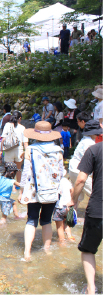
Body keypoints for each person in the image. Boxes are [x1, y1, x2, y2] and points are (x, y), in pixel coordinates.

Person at [18, 121, 64, 261]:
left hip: (33, 191)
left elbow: (25, 172)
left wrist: (21, 191)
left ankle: (27, 253)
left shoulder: (30, 150)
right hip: (51, 191)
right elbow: (61, 173)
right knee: (46, 220)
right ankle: (47, 250)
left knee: (31, 220)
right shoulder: (58, 150)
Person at [68, 139, 102, 295]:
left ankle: (90, 289)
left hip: (98, 210)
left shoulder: (94, 150)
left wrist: (73, 200)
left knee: (88, 250)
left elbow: (81, 179)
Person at [69, 120, 101, 216]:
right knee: (96, 194)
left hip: (73, 169)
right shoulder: (91, 144)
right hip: (80, 172)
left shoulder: (84, 140)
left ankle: (69, 218)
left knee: (77, 197)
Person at [1, 111, 29, 183]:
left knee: (9, 170)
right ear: (20, 118)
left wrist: (1, 151)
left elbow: (3, 139)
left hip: (8, 150)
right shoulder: (23, 128)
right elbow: (25, 143)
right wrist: (28, 153)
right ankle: (18, 185)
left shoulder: (7, 125)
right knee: (19, 169)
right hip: (19, 150)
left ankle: (12, 187)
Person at [53, 170, 75, 243]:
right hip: (67, 206)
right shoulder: (66, 180)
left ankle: (62, 242)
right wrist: (70, 200)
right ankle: (70, 237)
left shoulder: (55, 182)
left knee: (60, 228)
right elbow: (72, 190)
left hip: (59, 207)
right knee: (66, 223)